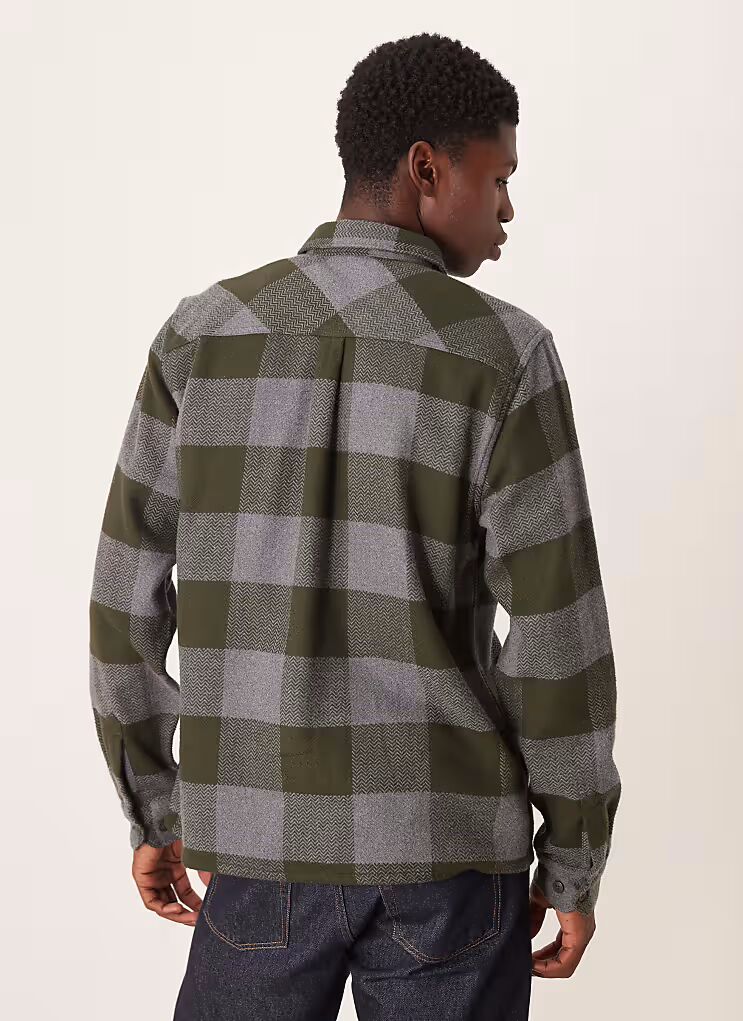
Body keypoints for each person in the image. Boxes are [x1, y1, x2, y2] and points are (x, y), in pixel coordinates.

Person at [88, 31, 621, 1020]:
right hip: (447, 859)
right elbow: (559, 640)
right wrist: (573, 859)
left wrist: (156, 805)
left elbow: (125, 600)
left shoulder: (202, 335)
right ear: (427, 169)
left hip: (257, 848)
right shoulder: (504, 356)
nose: (508, 208)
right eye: (499, 177)